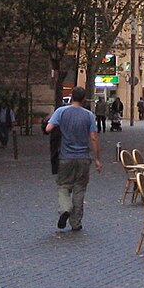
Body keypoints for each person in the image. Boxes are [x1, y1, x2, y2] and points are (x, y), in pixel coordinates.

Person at [45, 86, 102, 232]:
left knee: (64, 186)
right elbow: (94, 137)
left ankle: (65, 208)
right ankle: (76, 222)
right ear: (83, 99)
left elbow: (48, 129)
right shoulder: (89, 115)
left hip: (65, 156)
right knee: (79, 188)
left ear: (71, 96)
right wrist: (96, 159)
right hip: (83, 157)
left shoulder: (61, 111)